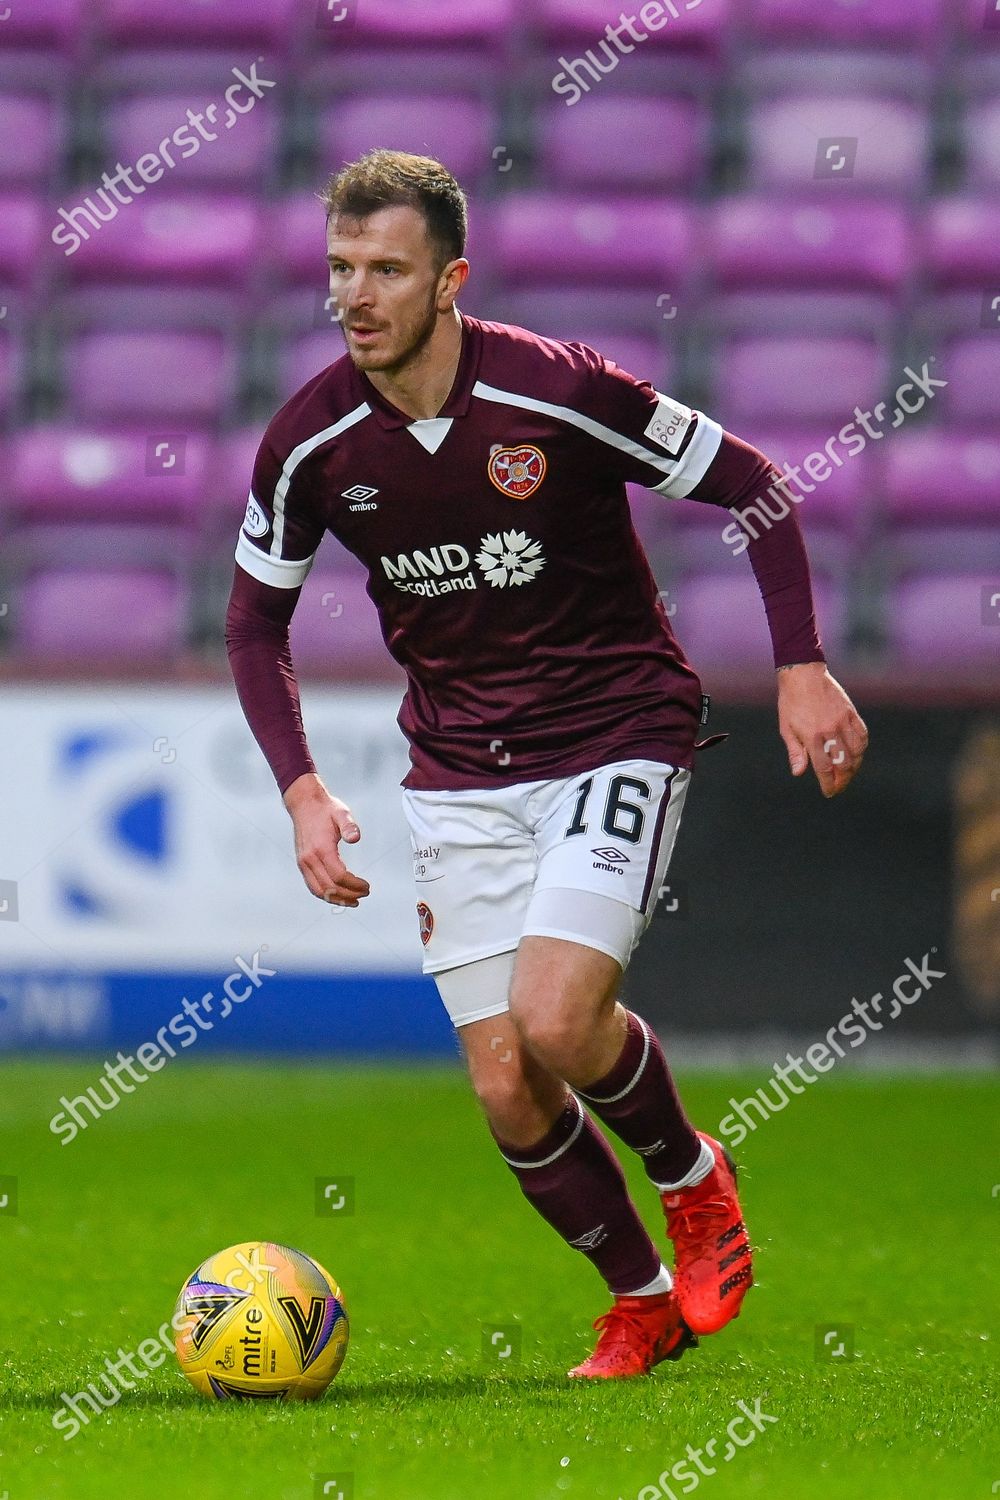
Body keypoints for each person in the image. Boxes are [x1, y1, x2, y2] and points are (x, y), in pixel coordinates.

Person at [226, 150, 868, 1380]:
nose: (356, 297)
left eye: (387, 272)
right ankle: (640, 1303)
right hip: (459, 771)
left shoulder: (559, 391)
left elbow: (754, 488)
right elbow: (256, 619)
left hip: (613, 728)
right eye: (340, 271)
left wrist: (800, 663)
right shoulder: (311, 443)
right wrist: (300, 788)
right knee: (509, 1088)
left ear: (451, 279)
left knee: (557, 1015)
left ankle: (690, 1174)